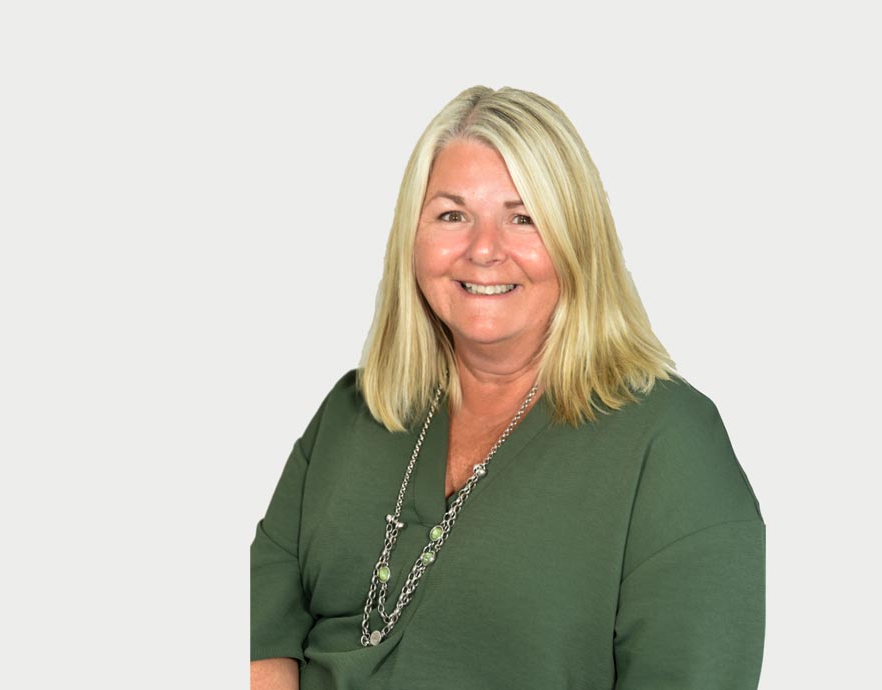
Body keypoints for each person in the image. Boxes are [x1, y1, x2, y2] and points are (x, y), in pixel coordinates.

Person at [250, 85, 765, 690]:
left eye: (523, 218)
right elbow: (256, 629)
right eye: (452, 215)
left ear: (578, 240)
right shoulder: (354, 410)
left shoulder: (672, 444)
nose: (484, 250)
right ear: (412, 239)